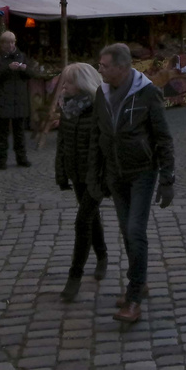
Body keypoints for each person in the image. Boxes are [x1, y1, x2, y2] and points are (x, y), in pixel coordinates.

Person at [91, 43, 174, 324]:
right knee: (127, 232)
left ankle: (134, 296)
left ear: (122, 67)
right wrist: (97, 177)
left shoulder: (147, 93)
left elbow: (162, 137)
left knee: (136, 230)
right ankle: (141, 281)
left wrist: (167, 178)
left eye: (104, 65)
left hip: (142, 171)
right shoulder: (100, 95)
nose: (100, 69)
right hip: (115, 174)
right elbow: (98, 137)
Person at [50, 62, 108, 301]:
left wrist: (104, 176)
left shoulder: (99, 107)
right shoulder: (66, 107)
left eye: (69, 82)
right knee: (91, 218)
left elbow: (105, 145)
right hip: (77, 173)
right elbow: (62, 143)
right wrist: (61, 173)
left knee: (82, 221)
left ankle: (75, 276)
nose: (64, 86)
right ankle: (102, 255)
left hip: (96, 176)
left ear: (83, 83)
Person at [0, 30, 45, 169]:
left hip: (19, 100)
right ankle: (1, 160)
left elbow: (32, 74)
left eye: (13, 42)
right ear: (2, 43)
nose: (11, 45)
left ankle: (22, 158)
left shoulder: (21, 55)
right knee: (2, 133)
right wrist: (8, 69)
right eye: (8, 42)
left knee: (19, 132)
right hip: (2, 99)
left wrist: (24, 69)